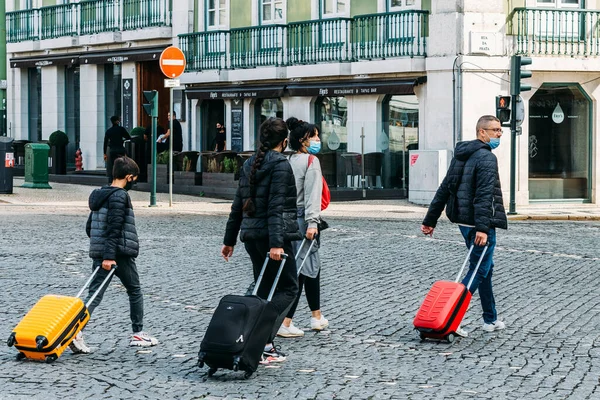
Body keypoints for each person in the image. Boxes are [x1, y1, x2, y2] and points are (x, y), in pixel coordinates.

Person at [221, 117, 302, 364]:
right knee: (289, 288)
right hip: (272, 238)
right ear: (285, 141)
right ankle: (263, 338)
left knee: (264, 289)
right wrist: (277, 244)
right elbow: (276, 207)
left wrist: (229, 240)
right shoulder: (280, 165)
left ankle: (264, 343)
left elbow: (237, 205)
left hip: (251, 236)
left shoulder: (249, 164)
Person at [421, 115, 508, 337]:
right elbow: (484, 196)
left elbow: (444, 188)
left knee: (485, 269)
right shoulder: (487, 158)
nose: (499, 134)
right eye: (495, 130)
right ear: (482, 132)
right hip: (480, 225)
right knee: (478, 271)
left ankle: (491, 318)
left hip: (463, 222)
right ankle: (452, 317)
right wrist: (482, 228)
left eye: (500, 130)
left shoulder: (461, 154)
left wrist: (430, 220)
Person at [69, 156, 159, 354]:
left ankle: (74, 331)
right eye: (134, 178)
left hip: (102, 252)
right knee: (134, 290)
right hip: (118, 254)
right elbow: (115, 228)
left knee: (94, 295)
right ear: (128, 177)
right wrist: (110, 256)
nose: (134, 182)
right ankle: (138, 333)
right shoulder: (119, 196)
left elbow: (90, 227)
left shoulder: (100, 194)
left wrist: (101, 249)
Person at [277, 117, 328, 338]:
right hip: (303, 220)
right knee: (299, 270)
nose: (318, 139)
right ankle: (286, 321)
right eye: (314, 135)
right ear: (303, 140)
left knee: (310, 268)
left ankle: (316, 316)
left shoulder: (288, 160)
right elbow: (312, 196)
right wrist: (312, 223)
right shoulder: (310, 161)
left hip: (288, 218)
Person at [103, 116, 131, 183]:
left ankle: (114, 179)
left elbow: (105, 143)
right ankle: (122, 178)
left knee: (114, 165)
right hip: (120, 149)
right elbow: (128, 137)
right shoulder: (121, 129)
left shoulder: (108, 131)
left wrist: (104, 153)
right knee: (122, 164)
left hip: (112, 151)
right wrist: (122, 140)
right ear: (117, 121)